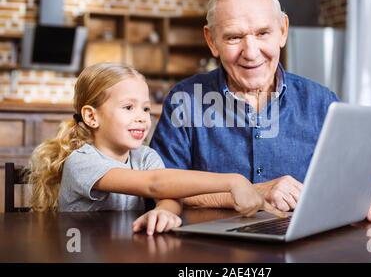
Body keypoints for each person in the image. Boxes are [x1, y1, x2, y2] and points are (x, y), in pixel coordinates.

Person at [146, 0, 371, 226]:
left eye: (262, 33)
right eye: (234, 37)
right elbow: (161, 184)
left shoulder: (319, 101)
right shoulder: (186, 100)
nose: (251, 52)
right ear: (212, 41)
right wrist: (253, 193)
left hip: (303, 246)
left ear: (282, 31)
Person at [28, 62, 283, 235]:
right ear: (92, 117)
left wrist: (163, 213)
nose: (142, 117)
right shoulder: (82, 162)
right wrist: (233, 181)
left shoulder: (144, 156)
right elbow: (154, 184)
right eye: (128, 107)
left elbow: (168, 195)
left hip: (121, 251)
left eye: (146, 109)